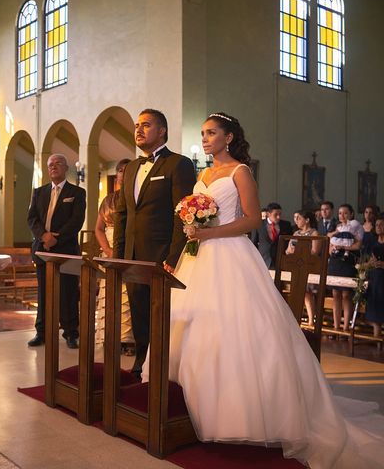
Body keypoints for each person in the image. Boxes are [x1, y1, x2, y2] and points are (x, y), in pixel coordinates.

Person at [142, 112, 384, 468]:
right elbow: (189, 217)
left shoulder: (241, 171)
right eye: (203, 134)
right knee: (190, 327)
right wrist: (191, 230)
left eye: (211, 133)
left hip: (230, 255)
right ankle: (186, 409)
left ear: (228, 138)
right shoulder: (202, 174)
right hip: (197, 256)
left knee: (236, 332)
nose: (205, 139)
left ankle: (237, 413)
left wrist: (208, 231)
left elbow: (252, 219)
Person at [113, 108, 196, 378]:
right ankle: (140, 361)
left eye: (146, 125)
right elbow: (123, 214)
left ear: (162, 131)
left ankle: (162, 364)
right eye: (137, 125)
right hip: (132, 255)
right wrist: (118, 256)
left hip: (161, 255)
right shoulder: (132, 167)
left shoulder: (178, 164)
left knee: (161, 314)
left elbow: (182, 214)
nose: (138, 129)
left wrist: (174, 256)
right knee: (138, 312)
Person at [27, 153, 86, 349]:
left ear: (66, 167)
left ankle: (70, 333)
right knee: (44, 292)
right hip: (42, 249)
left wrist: (55, 239)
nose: (53, 166)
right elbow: (32, 219)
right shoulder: (39, 192)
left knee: (68, 292)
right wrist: (44, 236)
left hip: (66, 250)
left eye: (58, 163)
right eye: (50, 164)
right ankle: (41, 332)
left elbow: (76, 221)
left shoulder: (77, 193)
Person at [94, 158, 134, 354]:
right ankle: (110, 337)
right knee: (109, 295)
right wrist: (108, 251)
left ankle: (128, 341)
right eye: (120, 171)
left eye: (127, 170)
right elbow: (99, 229)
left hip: (129, 254)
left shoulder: (137, 198)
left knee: (127, 297)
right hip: (109, 253)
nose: (123, 174)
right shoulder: (108, 200)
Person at [327, 204, 363, 332]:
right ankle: (336, 327)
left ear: (351, 214)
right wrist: (332, 249)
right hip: (335, 262)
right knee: (335, 293)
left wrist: (343, 247)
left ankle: (346, 327)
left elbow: (357, 246)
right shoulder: (337, 228)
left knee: (346, 294)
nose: (342, 215)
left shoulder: (356, 227)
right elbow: (330, 244)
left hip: (348, 262)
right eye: (340, 213)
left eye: (345, 213)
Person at [286, 210, 322, 324]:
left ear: (307, 220)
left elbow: (315, 251)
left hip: (308, 266)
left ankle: (311, 319)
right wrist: (290, 250)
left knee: (307, 293)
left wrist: (300, 251)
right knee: (296, 292)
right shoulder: (296, 233)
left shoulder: (314, 233)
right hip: (296, 266)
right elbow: (288, 250)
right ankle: (296, 317)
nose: (297, 221)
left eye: (299, 218)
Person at [251, 201, 293, 269]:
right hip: (263, 259)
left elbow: (289, 241)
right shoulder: (258, 224)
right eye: (275, 214)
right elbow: (254, 243)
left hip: (280, 260)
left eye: (280, 214)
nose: (278, 217)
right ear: (268, 214)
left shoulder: (286, 225)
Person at [365, 216, 384, 339]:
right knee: (374, 305)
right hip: (374, 277)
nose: (378, 227)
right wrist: (369, 264)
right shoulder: (372, 242)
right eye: (377, 225)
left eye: (381, 224)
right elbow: (366, 261)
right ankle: (376, 337)